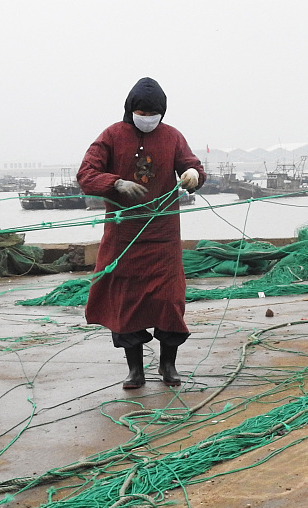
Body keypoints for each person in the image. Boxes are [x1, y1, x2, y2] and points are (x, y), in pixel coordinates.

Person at [77, 77, 205, 389]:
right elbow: (86, 174)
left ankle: (168, 365)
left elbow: (194, 168)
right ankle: (135, 369)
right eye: (142, 111)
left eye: (153, 112)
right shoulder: (111, 135)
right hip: (124, 237)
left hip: (163, 236)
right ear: (130, 109)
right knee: (125, 302)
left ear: (162, 112)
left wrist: (192, 175)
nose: (147, 117)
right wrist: (115, 183)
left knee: (169, 300)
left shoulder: (173, 137)